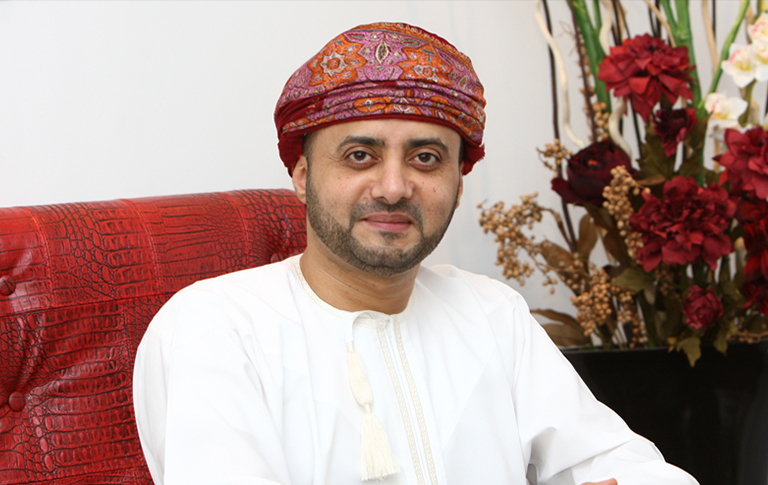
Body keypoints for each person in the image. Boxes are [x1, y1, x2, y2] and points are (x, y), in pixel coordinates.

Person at [133, 22, 698, 485]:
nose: (394, 188)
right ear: (302, 175)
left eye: (426, 158)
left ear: (458, 182)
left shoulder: (490, 313)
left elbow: (625, 467)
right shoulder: (216, 327)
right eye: (360, 155)